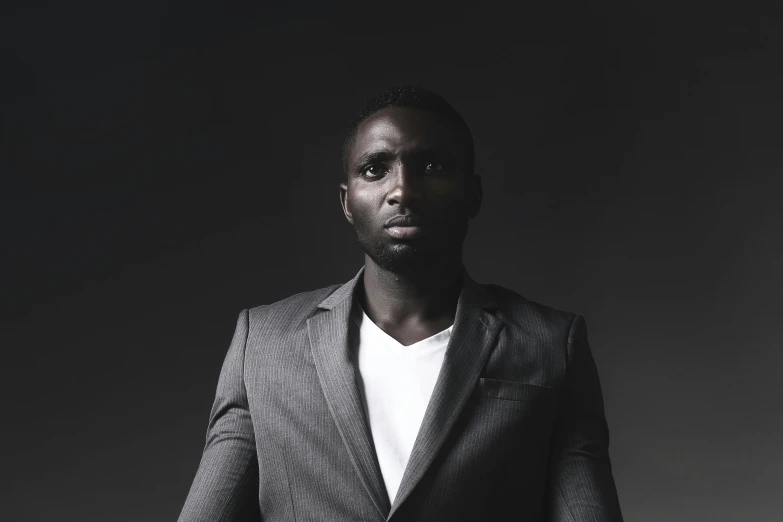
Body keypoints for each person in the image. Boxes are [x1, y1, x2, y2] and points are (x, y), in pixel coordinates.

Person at [178, 85, 624, 521]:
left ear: (473, 194)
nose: (403, 191)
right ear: (347, 201)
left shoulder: (550, 344)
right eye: (375, 169)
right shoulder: (264, 344)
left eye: (431, 166)